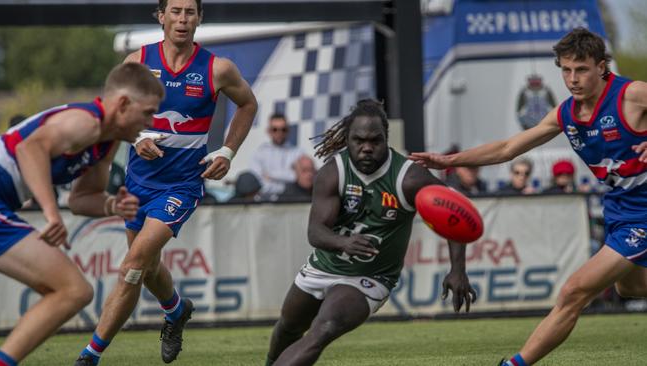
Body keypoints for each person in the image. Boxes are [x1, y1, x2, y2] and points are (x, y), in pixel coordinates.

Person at [410, 28, 647, 366]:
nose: (572, 78)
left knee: (573, 292)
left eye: (581, 69)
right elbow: (508, 148)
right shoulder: (566, 114)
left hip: (644, 210)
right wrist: (450, 160)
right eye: (565, 70)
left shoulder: (632, 95)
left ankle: (514, 364)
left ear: (602, 67)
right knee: (630, 289)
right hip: (619, 207)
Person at [75, 0, 257, 365]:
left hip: (182, 186)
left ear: (199, 18)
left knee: (131, 267)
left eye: (190, 12)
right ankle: (175, 311)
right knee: (150, 269)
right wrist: (137, 136)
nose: (182, 19)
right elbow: (111, 111)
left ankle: (89, 356)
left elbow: (248, 104)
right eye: (175, 11)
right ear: (161, 17)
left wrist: (227, 152)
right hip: (138, 183)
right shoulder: (137, 62)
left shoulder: (217, 68)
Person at [265, 99, 476, 366]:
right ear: (347, 139)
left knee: (323, 329)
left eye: (375, 141)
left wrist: (458, 269)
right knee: (288, 328)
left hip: (369, 277)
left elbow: (454, 214)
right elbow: (315, 233)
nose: (366, 148)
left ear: (386, 139)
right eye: (359, 140)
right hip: (323, 266)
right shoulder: (333, 171)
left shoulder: (408, 178)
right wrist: (343, 243)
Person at [0, 62, 163, 366]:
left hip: (2, 203)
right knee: (72, 290)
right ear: (123, 104)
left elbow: (81, 199)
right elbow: (29, 150)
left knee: (72, 291)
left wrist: (113, 205)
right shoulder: (86, 122)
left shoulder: (106, 142)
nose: (152, 121)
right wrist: (51, 213)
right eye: (148, 112)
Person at [249, 112, 303, 198]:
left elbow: (298, 178)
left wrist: (270, 175)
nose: (279, 133)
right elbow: (257, 184)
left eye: (283, 129)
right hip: (265, 203)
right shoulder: (259, 153)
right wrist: (285, 186)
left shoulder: (298, 152)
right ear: (268, 131)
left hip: (291, 201)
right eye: (275, 129)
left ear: (288, 130)